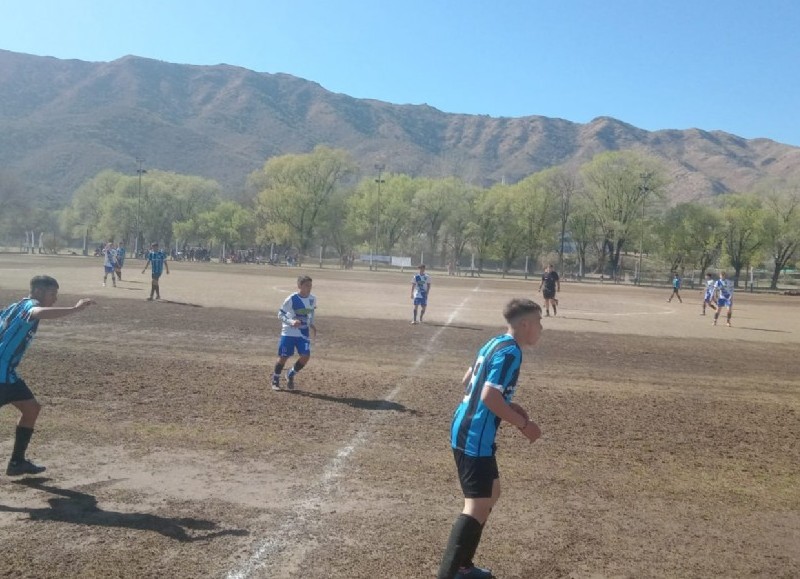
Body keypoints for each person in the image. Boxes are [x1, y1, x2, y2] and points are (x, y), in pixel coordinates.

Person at [437, 298, 543, 579]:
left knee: (491, 493)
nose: (541, 329)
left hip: (465, 424)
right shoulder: (512, 353)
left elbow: (468, 380)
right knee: (476, 505)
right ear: (525, 324)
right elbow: (488, 396)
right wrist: (524, 425)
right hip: (475, 434)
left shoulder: (495, 342)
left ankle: (463, 566)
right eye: (539, 322)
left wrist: (510, 404)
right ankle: (450, 573)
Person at [0, 276, 95, 475]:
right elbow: (37, 312)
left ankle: (17, 463)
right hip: (1, 377)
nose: (55, 299)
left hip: (8, 376)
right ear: (38, 292)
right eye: (52, 294)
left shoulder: (14, 307)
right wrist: (74, 309)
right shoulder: (29, 307)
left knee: (32, 408)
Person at [272, 275, 317, 391]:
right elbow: (280, 314)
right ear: (299, 286)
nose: (309, 288)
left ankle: (290, 374)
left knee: (305, 356)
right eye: (306, 285)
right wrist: (292, 321)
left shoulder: (312, 299)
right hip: (289, 332)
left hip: (303, 332)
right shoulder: (291, 298)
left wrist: (311, 323)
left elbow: (311, 312)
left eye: (310, 285)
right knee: (284, 356)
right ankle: (275, 379)